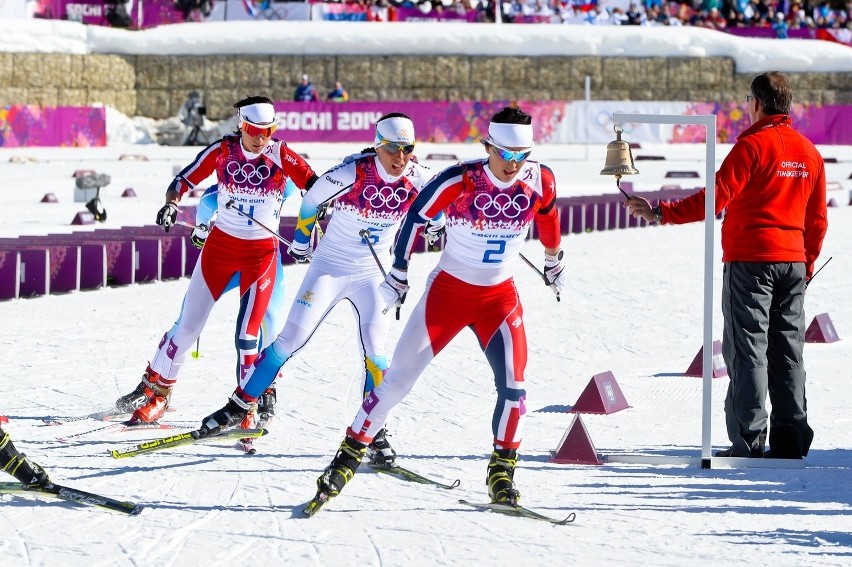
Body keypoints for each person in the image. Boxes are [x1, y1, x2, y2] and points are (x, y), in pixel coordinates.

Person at [308, 106, 565, 506]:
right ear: (488, 146)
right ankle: (347, 456)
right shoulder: (460, 180)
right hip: (448, 296)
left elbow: (548, 215)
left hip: (499, 299)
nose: (514, 165)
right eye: (506, 155)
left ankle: (501, 473)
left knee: (515, 391)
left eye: (522, 156)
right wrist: (398, 271)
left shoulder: (540, 179)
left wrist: (554, 258)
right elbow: (413, 218)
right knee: (396, 382)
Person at [195, 113, 442, 466]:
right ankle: (240, 405)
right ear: (378, 145)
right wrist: (300, 239)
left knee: (376, 352)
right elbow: (311, 200)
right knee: (289, 339)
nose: (399, 158)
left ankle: (373, 430)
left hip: (374, 274)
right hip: (330, 268)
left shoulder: (419, 177)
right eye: (391, 149)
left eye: (406, 149)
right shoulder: (352, 172)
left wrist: (435, 224)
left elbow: (441, 204)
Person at [625, 71, 827, 459]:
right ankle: (791, 438)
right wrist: (808, 265)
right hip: (794, 263)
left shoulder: (753, 146)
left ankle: (750, 440)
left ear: (756, 102)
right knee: (788, 351)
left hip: (751, 262)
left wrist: (662, 213)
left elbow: (715, 197)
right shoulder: (809, 151)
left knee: (748, 348)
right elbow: (817, 220)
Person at [115, 96, 318, 428]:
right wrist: (171, 204)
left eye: (268, 131)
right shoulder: (223, 151)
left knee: (249, 334)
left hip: (261, 257)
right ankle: (157, 394)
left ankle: (248, 406)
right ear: (241, 125)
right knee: (188, 327)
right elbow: (183, 181)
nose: (261, 138)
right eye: (254, 130)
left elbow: (317, 189)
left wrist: (307, 232)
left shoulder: (281, 155)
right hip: (219, 252)